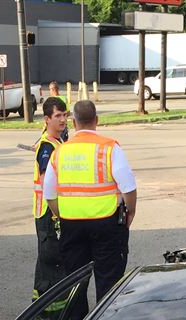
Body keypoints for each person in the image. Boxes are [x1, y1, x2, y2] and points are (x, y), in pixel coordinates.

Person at [43, 100, 137, 302]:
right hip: (107, 222)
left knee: (75, 282)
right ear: (96, 120)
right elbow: (128, 186)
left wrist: (61, 213)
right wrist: (131, 212)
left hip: (71, 224)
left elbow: (49, 193)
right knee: (109, 281)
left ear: (74, 122)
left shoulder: (60, 151)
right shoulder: (109, 148)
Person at [32, 96, 68, 303]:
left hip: (53, 210)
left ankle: (44, 304)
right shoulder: (47, 146)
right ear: (47, 119)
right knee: (51, 260)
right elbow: (47, 182)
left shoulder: (59, 142)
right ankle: (49, 308)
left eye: (64, 115)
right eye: (58, 116)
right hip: (48, 212)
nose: (62, 120)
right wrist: (57, 211)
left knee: (49, 260)